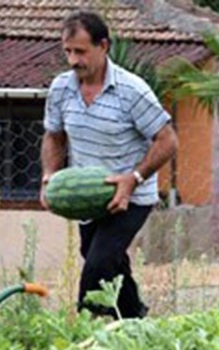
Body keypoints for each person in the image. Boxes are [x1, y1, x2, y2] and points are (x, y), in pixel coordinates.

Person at [40, 10, 179, 320]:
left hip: (131, 194)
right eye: (68, 51)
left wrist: (134, 178)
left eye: (80, 51)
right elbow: (54, 136)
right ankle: (134, 319)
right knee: (102, 258)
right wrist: (49, 175)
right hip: (89, 194)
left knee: (99, 264)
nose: (73, 60)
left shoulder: (132, 91)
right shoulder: (62, 88)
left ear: (103, 46)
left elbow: (167, 140)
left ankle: (84, 328)